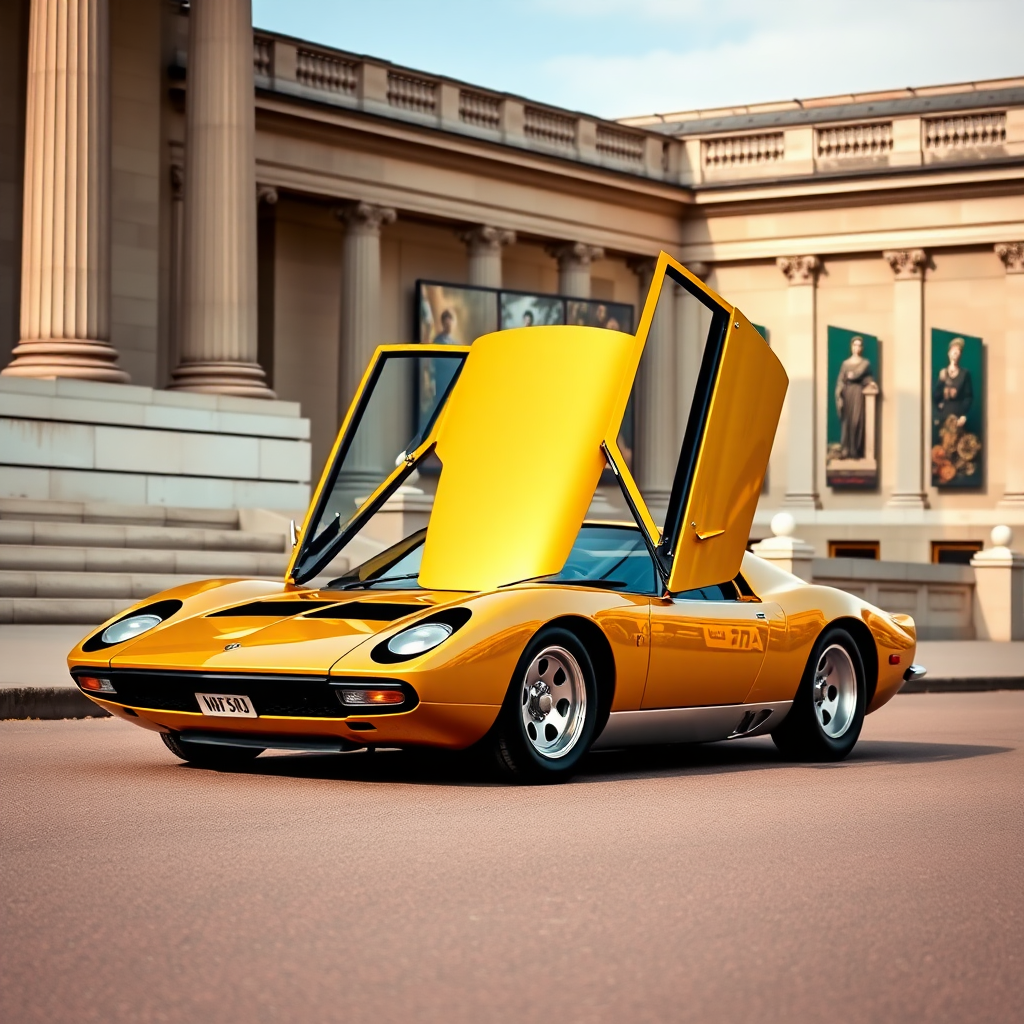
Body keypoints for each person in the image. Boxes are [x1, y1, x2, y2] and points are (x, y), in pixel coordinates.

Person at [834, 335, 875, 459]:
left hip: (858, 393)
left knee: (857, 421)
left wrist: (868, 381)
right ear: (851, 347)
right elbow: (841, 380)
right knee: (847, 422)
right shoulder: (845, 363)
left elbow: (860, 375)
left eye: (859, 345)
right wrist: (839, 395)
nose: (856, 348)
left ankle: (856, 450)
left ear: (861, 348)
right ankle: (846, 449)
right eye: (854, 345)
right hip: (847, 393)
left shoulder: (865, 363)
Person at [933, 336, 973, 429]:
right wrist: (941, 381)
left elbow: (968, 397)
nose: (955, 352)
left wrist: (963, 415)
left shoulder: (964, 374)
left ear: (960, 354)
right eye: (953, 350)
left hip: (957, 420)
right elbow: (936, 398)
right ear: (949, 353)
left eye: (958, 350)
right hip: (944, 420)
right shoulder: (942, 373)